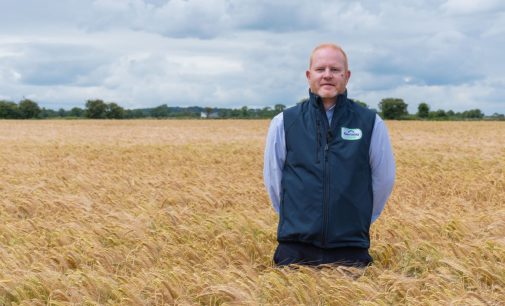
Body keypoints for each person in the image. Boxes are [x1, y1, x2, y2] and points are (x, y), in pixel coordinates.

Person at [263, 43, 395, 267]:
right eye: (320, 69)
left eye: (335, 70)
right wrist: (296, 220)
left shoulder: (370, 122)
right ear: (308, 75)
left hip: (351, 249)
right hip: (295, 249)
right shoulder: (284, 122)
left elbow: (383, 180)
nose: (327, 76)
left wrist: (357, 219)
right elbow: (274, 180)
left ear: (347, 75)